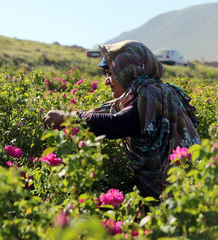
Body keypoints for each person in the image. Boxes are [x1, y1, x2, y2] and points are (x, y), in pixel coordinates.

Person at [43, 40, 200, 199]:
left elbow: (119, 124)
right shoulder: (143, 94)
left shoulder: (152, 94)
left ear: (128, 70)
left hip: (182, 193)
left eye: (110, 73)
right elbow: (107, 114)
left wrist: (68, 118)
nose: (106, 81)